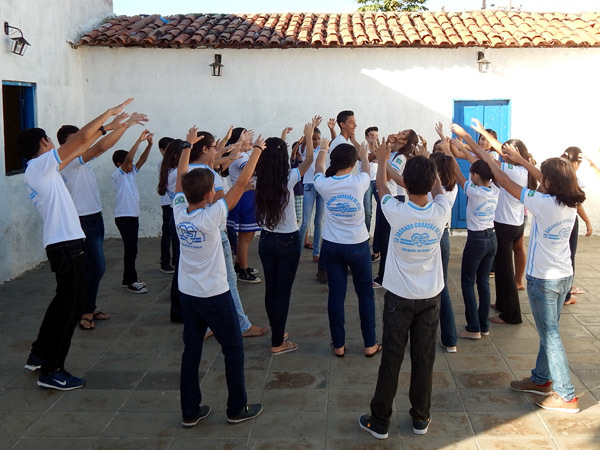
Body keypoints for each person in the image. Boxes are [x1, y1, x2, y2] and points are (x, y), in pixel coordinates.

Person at [20, 98, 134, 390]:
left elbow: (92, 145)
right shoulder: (43, 165)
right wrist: (108, 114)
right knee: (70, 309)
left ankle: (39, 353)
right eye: (48, 141)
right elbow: (84, 138)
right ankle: (52, 370)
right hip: (67, 246)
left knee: (61, 302)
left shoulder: (38, 169)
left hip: (63, 245)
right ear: (45, 143)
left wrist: (116, 126)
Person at [474, 144, 584, 414]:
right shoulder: (570, 200)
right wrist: (522, 160)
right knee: (551, 332)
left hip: (544, 281)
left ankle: (566, 395)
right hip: (563, 277)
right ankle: (541, 379)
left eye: (544, 177)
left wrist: (487, 157)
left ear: (548, 182)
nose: (540, 179)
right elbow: (548, 178)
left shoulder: (542, 202)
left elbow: (502, 179)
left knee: (550, 336)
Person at [360, 140, 451, 439]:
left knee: (392, 358)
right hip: (430, 297)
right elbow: (437, 190)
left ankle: (380, 420)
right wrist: (429, 163)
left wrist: (383, 161)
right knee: (424, 359)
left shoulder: (396, 211)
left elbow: (382, 188)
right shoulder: (442, 210)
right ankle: (420, 417)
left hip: (399, 298)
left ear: (406, 183)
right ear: (431, 181)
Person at [174, 126, 264, 427]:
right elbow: (240, 184)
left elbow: (180, 177)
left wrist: (187, 146)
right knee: (233, 348)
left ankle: (190, 411)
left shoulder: (178, 210)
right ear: (210, 194)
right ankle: (236, 407)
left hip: (188, 293)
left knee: (192, 351)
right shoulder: (212, 216)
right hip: (214, 293)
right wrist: (258, 151)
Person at [58, 112, 147, 330]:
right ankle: (84, 310)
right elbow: (100, 147)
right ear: (65, 144)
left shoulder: (81, 161)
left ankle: (88, 306)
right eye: (75, 139)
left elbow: (96, 147)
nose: (81, 142)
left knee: (94, 266)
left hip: (94, 217)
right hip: (82, 220)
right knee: (95, 266)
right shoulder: (67, 161)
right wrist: (122, 126)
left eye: (81, 138)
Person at [188, 130, 267, 338]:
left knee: (201, 281)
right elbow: (227, 199)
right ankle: (240, 325)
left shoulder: (185, 171)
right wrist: (257, 149)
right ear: (204, 149)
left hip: (192, 236)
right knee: (227, 281)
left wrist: (236, 146)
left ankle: (206, 325)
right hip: (214, 233)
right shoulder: (209, 175)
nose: (217, 150)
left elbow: (221, 156)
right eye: (214, 147)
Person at [255, 118, 319, 355]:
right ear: (283, 158)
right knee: (283, 292)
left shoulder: (260, 179)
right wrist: (309, 134)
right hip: (287, 240)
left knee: (271, 289)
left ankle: (277, 331)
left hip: (266, 239)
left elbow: (274, 155)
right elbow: (310, 159)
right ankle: (277, 342)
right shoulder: (289, 177)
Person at [313, 136, 379, 358]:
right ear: (353, 164)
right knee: (365, 294)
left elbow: (319, 168)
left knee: (336, 295)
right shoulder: (359, 181)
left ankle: (339, 345)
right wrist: (363, 153)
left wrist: (322, 148)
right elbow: (367, 167)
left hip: (332, 246)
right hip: (358, 246)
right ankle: (370, 344)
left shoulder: (323, 184)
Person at [468, 119, 538, 324]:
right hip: (515, 223)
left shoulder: (513, 170)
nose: (503, 154)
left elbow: (484, 155)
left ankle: (512, 315)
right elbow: (496, 151)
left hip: (506, 225)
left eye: (508, 152)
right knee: (500, 266)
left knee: (505, 271)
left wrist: (468, 137)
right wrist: (482, 134)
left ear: (516, 154)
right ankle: (501, 304)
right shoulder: (526, 169)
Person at [447, 124, 499, 339]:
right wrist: (461, 147)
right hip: (492, 237)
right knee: (483, 283)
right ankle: (484, 325)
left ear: (476, 176)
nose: (470, 174)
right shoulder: (494, 189)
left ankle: (473, 328)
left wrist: (450, 157)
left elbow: (458, 174)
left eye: (473, 173)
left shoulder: (473, 190)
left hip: (476, 240)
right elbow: (476, 165)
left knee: (467, 283)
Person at [372, 129, 418, 287]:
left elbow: (390, 176)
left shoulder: (400, 157)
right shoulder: (392, 152)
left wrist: (382, 161)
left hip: (393, 197)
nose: (399, 132)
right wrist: (386, 150)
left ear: (405, 141)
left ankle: (383, 277)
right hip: (386, 196)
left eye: (404, 133)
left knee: (386, 239)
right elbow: (374, 157)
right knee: (382, 235)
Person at [111, 129, 154, 293]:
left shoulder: (130, 173)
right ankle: (131, 280)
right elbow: (130, 159)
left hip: (132, 216)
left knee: (132, 249)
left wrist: (149, 145)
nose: (131, 165)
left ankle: (127, 278)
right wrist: (138, 140)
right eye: (127, 163)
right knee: (130, 249)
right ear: (118, 164)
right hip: (124, 217)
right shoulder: (119, 175)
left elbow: (141, 160)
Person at [429, 149, 459, 352]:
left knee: (432, 286)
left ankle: (441, 336)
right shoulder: (453, 186)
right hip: (444, 236)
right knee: (442, 286)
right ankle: (450, 340)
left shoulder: (433, 189)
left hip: (432, 238)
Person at [226, 128, 262, 283]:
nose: (249, 135)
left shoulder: (244, 153)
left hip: (248, 196)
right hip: (243, 196)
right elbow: (252, 170)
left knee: (248, 234)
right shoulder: (240, 156)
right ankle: (243, 270)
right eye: (244, 133)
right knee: (245, 236)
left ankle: (240, 263)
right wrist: (257, 150)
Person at [561, 147, 593, 305]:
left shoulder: (554, 173)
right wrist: (587, 221)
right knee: (569, 257)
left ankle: (559, 290)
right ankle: (566, 295)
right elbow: (577, 204)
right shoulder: (575, 178)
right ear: (575, 163)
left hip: (555, 219)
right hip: (570, 221)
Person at [297, 125, 324, 262]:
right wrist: (310, 129)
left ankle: (316, 253)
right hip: (308, 186)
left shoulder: (322, 150)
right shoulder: (305, 150)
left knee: (318, 222)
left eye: (318, 138)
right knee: (305, 223)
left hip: (321, 187)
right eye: (314, 138)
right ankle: (297, 253)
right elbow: (305, 146)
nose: (316, 141)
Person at [157, 136, 176, 274]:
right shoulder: (163, 163)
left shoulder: (174, 163)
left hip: (175, 203)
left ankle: (176, 259)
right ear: (162, 150)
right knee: (167, 233)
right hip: (167, 203)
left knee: (176, 232)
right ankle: (165, 262)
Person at [363, 127, 379, 253]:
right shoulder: (362, 147)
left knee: (382, 211)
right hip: (367, 182)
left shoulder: (379, 147)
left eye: (376, 136)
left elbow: (378, 158)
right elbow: (368, 157)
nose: (375, 138)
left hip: (378, 181)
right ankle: (365, 237)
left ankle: (378, 245)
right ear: (366, 137)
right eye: (372, 136)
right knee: (367, 212)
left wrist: (374, 144)